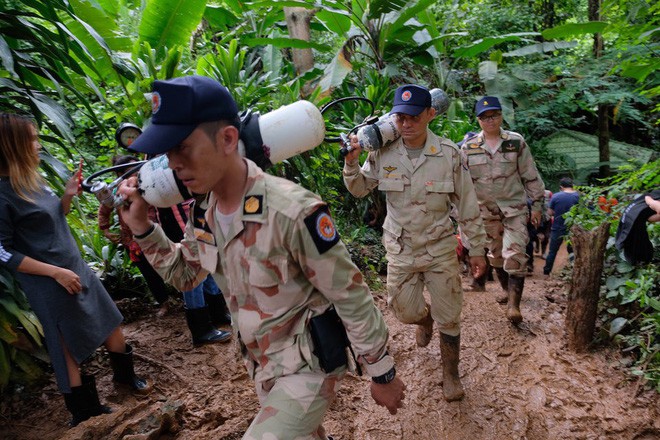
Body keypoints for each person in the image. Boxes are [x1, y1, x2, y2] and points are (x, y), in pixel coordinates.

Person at [117, 75, 405, 439]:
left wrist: (382, 372)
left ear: (227, 139)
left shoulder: (291, 211)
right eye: (167, 152)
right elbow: (185, 276)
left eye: (183, 148)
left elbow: (350, 293)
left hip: (308, 366)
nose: (173, 164)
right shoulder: (204, 213)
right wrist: (142, 227)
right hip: (262, 366)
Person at [0, 113, 151, 427]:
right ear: (12, 146)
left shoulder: (32, 179)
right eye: (32, 139)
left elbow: (55, 217)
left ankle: (127, 379)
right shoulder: (2, 195)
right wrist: (55, 273)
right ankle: (84, 411)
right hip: (49, 280)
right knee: (64, 342)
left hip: (73, 266)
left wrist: (67, 195)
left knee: (109, 319)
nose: (38, 145)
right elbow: (2, 252)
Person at [344, 84, 487, 402]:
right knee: (404, 312)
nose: (406, 124)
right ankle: (424, 320)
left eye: (413, 117)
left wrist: (477, 249)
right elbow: (359, 189)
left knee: (449, 317)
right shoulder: (382, 152)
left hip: (439, 250)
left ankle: (451, 376)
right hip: (401, 249)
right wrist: (352, 163)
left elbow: (467, 205)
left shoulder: (449, 154)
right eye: (400, 117)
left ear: (430, 114)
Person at [460, 96, 546, 324]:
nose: (490, 120)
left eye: (494, 115)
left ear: (501, 116)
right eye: (485, 117)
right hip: (485, 213)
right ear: (478, 120)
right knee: (496, 256)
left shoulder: (515, 142)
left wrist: (537, 205)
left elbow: (530, 175)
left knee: (515, 253)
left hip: (515, 209)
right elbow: (462, 184)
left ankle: (514, 307)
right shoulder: (468, 148)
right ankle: (507, 291)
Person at [98, 154, 172, 316]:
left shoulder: (149, 182)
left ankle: (186, 297)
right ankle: (164, 302)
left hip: (157, 234)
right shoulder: (116, 192)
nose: (136, 173)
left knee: (169, 264)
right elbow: (104, 209)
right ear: (120, 175)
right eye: (131, 171)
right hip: (133, 241)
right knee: (149, 273)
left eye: (137, 169)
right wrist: (106, 229)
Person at [543, 177, 579, 275]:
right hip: (574, 228)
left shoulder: (556, 196)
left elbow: (550, 213)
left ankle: (547, 271)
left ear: (561, 187)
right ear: (572, 185)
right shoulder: (578, 196)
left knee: (552, 251)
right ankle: (573, 270)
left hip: (557, 227)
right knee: (573, 250)